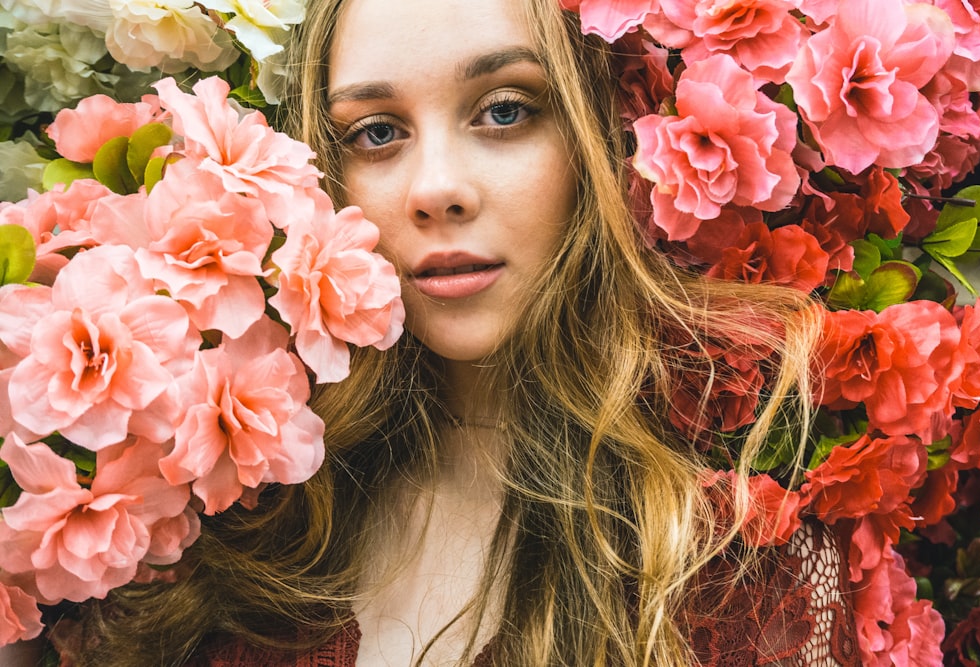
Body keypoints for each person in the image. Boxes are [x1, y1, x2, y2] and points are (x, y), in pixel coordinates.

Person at [23, 0, 859, 664]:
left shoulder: (743, 558)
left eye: (504, 111)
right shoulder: (218, 505)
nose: (436, 189)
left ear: (598, 138)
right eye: (377, 132)